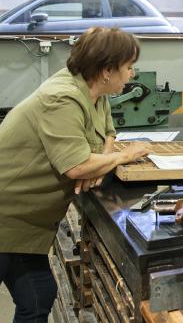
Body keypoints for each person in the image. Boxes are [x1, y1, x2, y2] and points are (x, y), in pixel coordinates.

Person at [0, 27, 150, 322]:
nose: (132, 74)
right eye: (129, 67)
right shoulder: (63, 97)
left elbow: (107, 131)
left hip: (26, 222)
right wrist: (124, 156)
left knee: (38, 294)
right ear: (107, 70)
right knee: (36, 293)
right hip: (6, 213)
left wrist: (100, 160)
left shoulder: (95, 90)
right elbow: (75, 167)